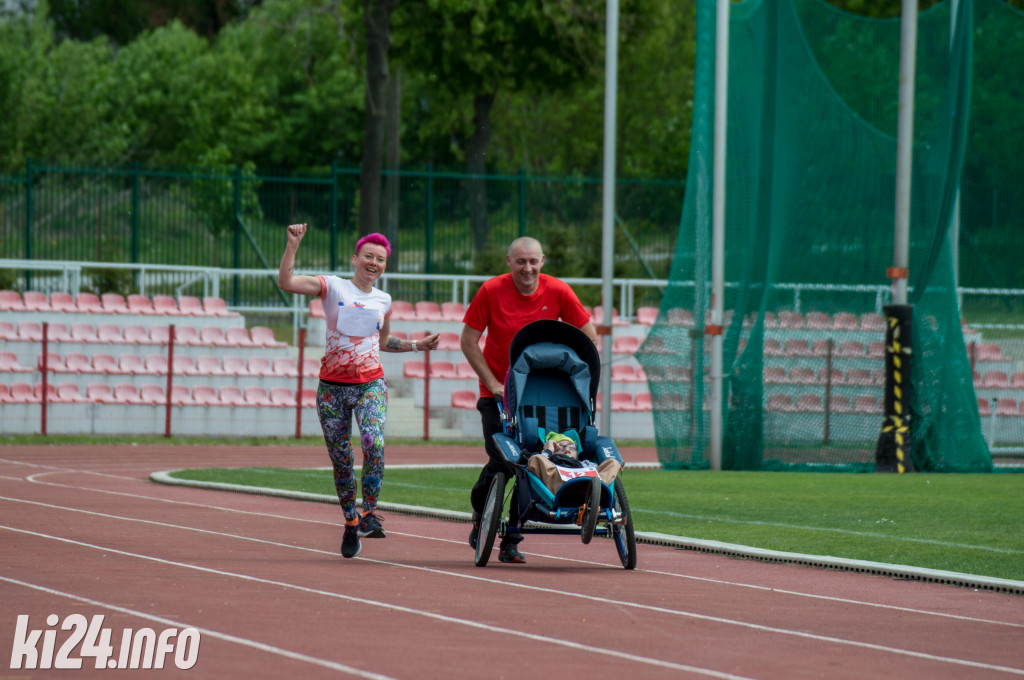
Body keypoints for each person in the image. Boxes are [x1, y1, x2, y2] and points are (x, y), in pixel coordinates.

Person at [278, 223, 439, 559]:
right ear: (355, 259)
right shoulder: (333, 287)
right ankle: (350, 521)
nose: (374, 262)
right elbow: (287, 283)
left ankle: (368, 513)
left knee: (373, 441)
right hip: (332, 390)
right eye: (368, 255)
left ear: (384, 266)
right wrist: (293, 245)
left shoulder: (384, 300)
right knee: (341, 461)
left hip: (370, 385)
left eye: (380, 259)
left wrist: (416, 345)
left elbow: (382, 343)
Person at [461, 236, 597, 563]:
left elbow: (588, 338)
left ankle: (511, 537)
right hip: (497, 394)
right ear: (509, 262)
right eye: (521, 261)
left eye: (533, 261)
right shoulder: (492, 290)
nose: (528, 268)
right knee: (504, 462)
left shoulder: (559, 291)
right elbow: (468, 341)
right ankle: (482, 512)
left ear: (542, 261)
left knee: (533, 460)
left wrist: (571, 379)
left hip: (540, 394)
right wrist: (493, 383)